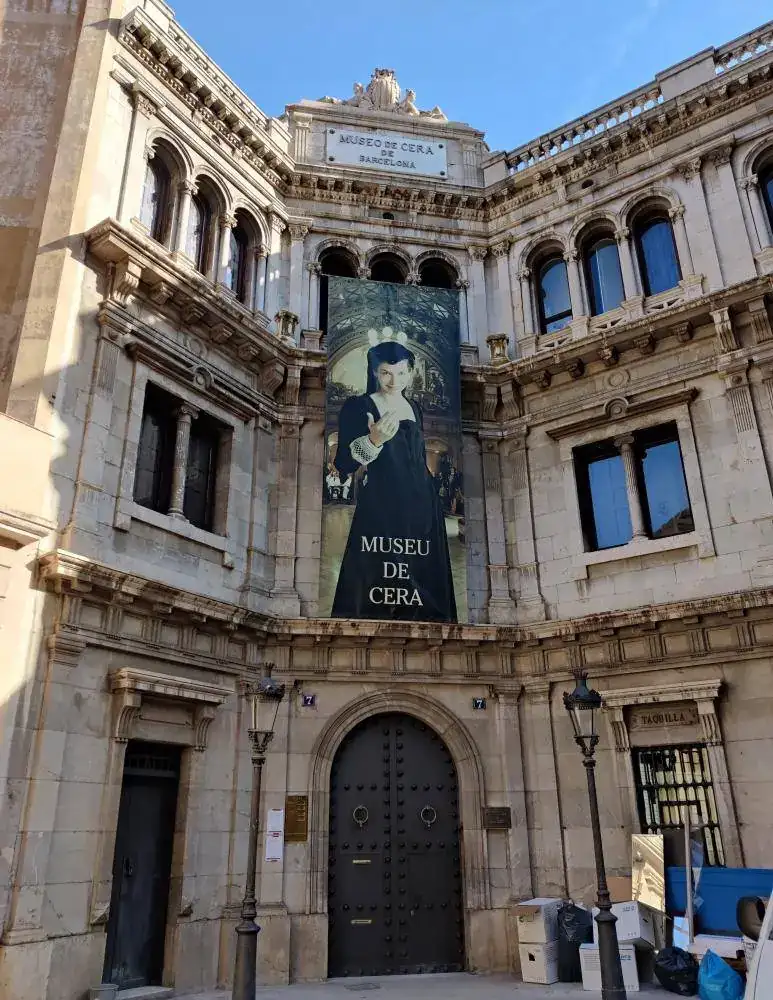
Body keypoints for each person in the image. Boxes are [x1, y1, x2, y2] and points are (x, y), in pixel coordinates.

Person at [330, 341, 457, 621]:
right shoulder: (359, 406)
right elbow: (344, 463)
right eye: (386, 373)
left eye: (401, 373)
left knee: (424, 585)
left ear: (410, 372)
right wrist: (373, 441)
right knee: (379, 579)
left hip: (424, 508)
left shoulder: (415, 407)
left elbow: (417, 458)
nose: (394, 381)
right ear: (374, 372)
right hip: (383, 506)